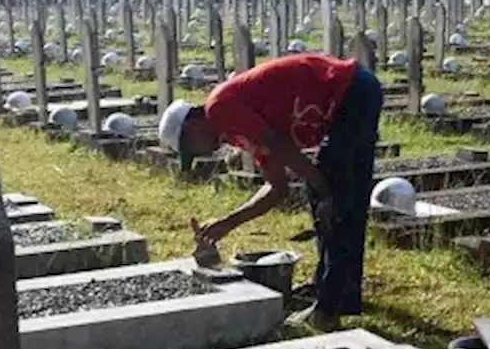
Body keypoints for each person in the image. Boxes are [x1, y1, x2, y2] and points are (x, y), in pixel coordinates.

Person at [158, 53, 384, 332]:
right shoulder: (236, 133)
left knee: (335, 201)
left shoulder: (219, 108)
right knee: (338, 199)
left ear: (192, 125)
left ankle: (328, 309)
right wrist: (227, 223)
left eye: (191, 148)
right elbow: (277, 189)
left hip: (349, 90)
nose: (200, 153)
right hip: (350, 98)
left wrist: (321, 186)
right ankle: (341, 295)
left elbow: (274, 142)